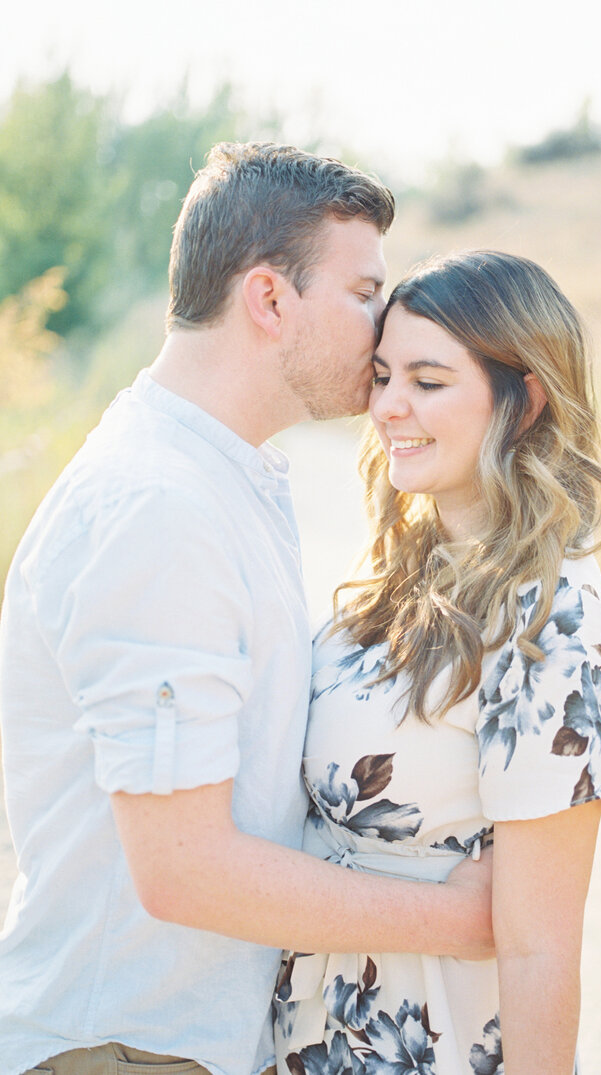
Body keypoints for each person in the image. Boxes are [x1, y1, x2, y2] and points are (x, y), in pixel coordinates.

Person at [0, 144, 493, 1075]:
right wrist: (458, 917)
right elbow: (183, 866)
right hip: (124, 1049)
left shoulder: (219, 473)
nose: (384, 324)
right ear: (270, 300)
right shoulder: (159, 506)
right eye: (361, 292)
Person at [272, 251, 601, 1075]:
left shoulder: (549, 618)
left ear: (525, 400)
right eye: (381, 375)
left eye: (428, 380)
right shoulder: (392, 576)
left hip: (435, 1043)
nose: (388, 406)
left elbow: (540, 949)